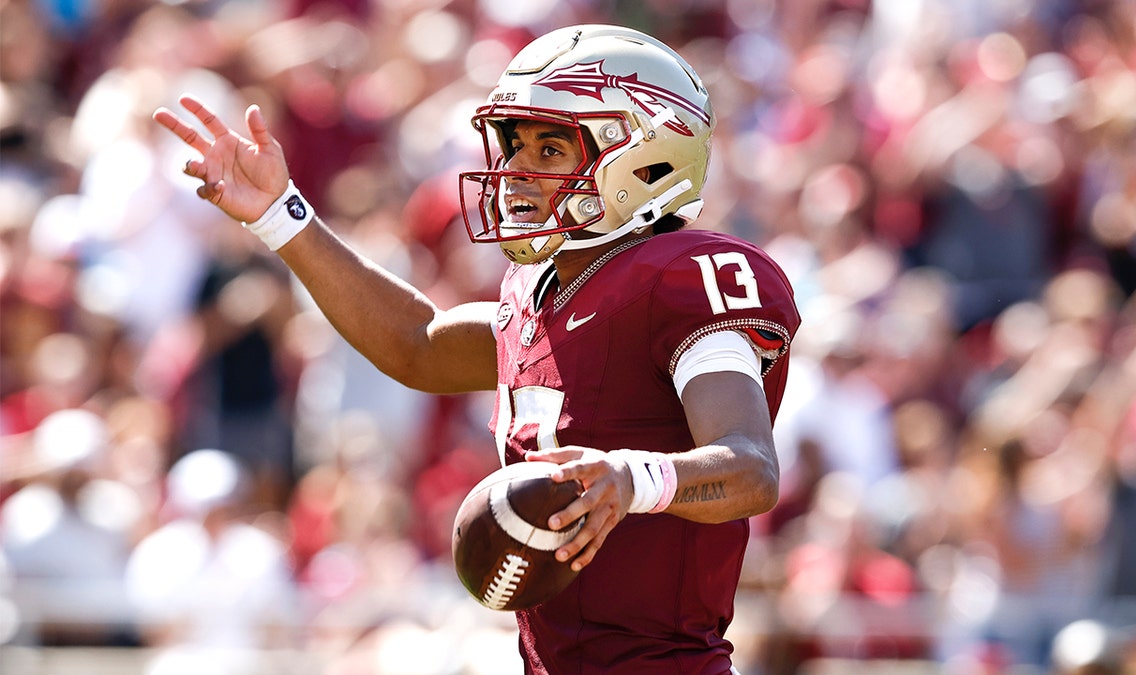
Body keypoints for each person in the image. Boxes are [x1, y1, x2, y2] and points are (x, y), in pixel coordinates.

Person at [154, 24, 801, 674]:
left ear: (645, 156)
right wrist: (280, 215)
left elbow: (750, 467)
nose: (517, 173)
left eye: (550, 148)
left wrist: (633, 477)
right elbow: (417, 344)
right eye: (513, 147)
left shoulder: (682, 275)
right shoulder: (540, 292)